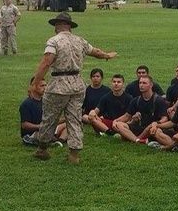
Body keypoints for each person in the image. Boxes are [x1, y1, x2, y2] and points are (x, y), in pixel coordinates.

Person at [30, 12, 117, 163]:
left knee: (50, 117)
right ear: (70, 26)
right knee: (75, 118)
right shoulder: (80, 41)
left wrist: (36, 82)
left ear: (57, 26)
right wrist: (107, 55)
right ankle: (74, 154)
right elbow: (94, 51)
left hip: (58, 83)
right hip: (77, 84)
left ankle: (42, 148)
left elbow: (46, 62)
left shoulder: (54, 41)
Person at [112, 75, 169, 144]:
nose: (141, 85)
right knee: (120, 125)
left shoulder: (159, 100)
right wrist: (116, 121)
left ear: (151, 85)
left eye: (144, 83)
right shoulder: (136, 100)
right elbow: (127, 116)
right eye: (140, 83)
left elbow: (165, 118)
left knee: (157, 132)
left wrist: (157, 123)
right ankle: (138, 140)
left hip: (153, 128)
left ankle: (132, 138)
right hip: (140, 127)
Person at [20, 77, 67, 146]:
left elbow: (51, 121)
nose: (45, 88)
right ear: (33, 87)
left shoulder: (45, 102)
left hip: (46, 129)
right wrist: (40, 126)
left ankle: (60, 141)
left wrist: (66, 118)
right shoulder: (26, 104)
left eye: (46, 85)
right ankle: (52, 141)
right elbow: (24, 125)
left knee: (68, 125)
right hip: (33, 133)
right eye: (42, 86)